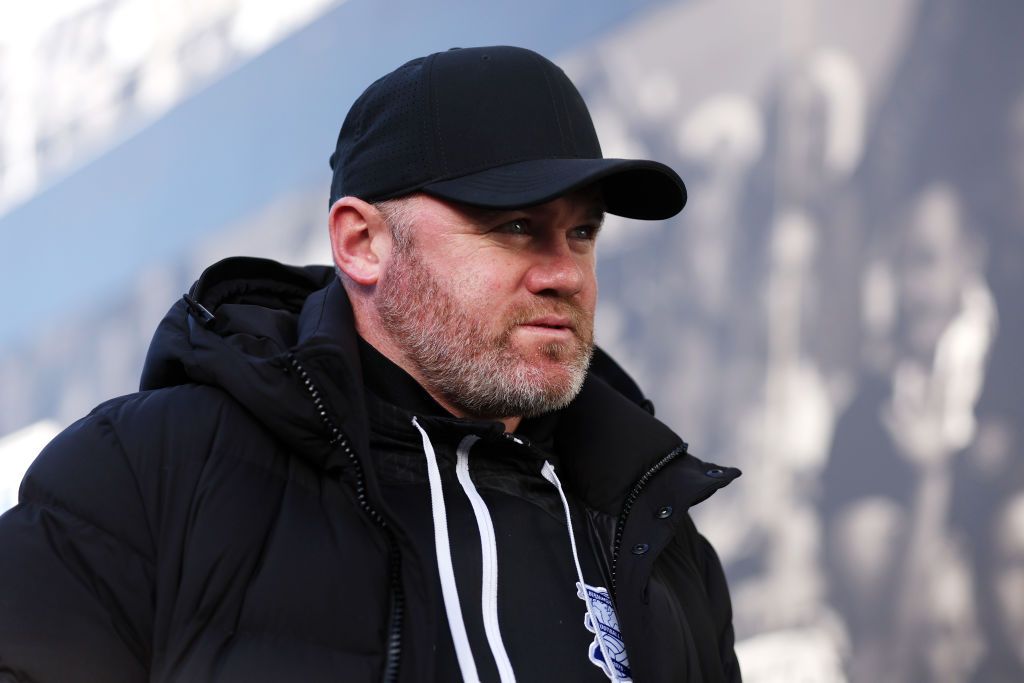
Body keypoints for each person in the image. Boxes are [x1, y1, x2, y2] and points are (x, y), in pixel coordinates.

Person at [0, 46, 740, 682]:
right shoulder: (150, 471)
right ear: (362, 243)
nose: (565, 273)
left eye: (581, 232)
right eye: (515, 225)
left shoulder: (655, 532)